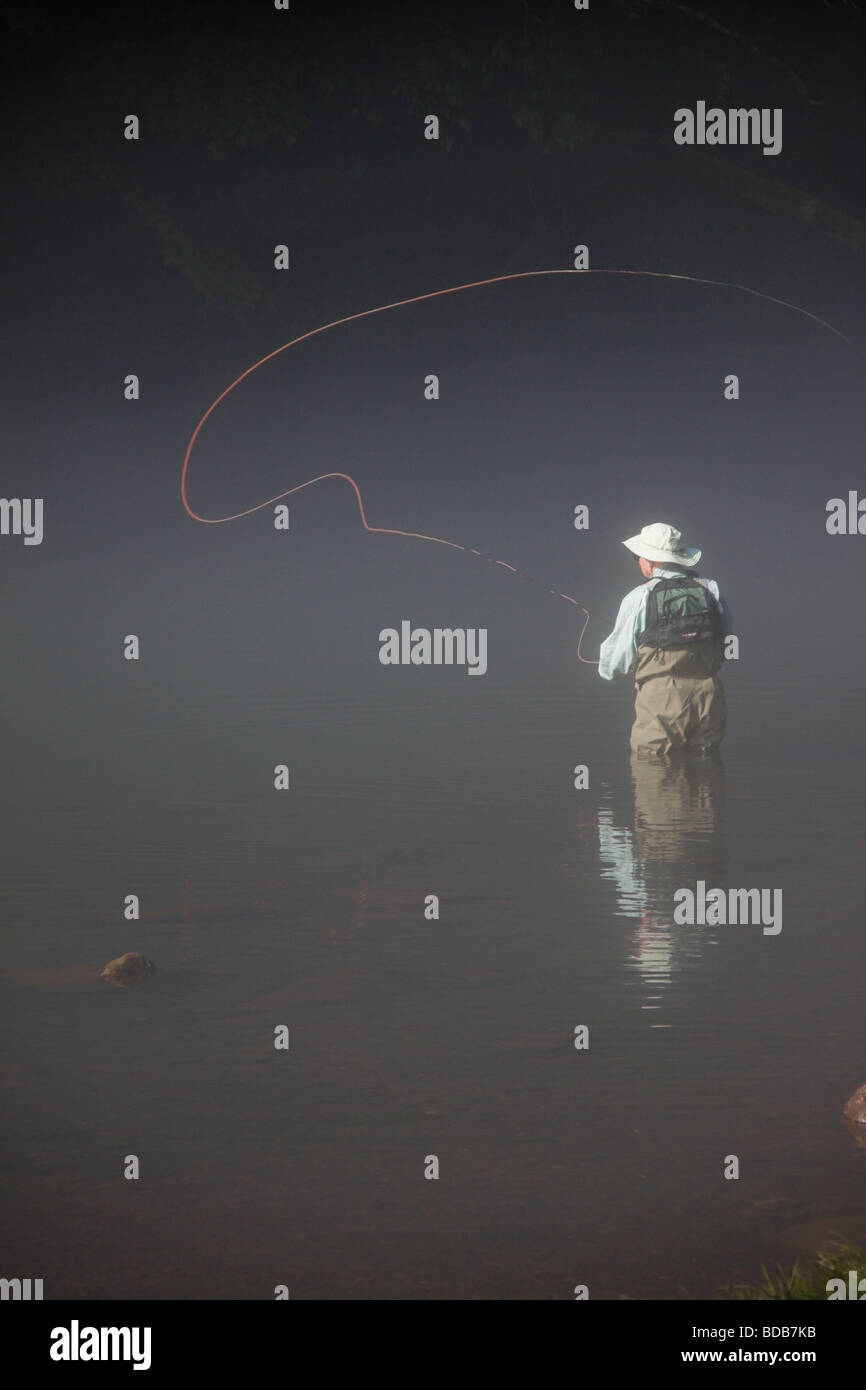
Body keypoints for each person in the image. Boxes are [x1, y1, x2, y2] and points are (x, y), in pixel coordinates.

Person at [598, 522, 732, 756]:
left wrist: (606, 667)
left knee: (654, 775)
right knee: (706, 776)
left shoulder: (640, 597)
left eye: (637, 557)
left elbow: (614, 666)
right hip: (709, 699)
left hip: (660, 704)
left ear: (650, 561)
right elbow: (725, 640)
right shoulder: (711, 590)